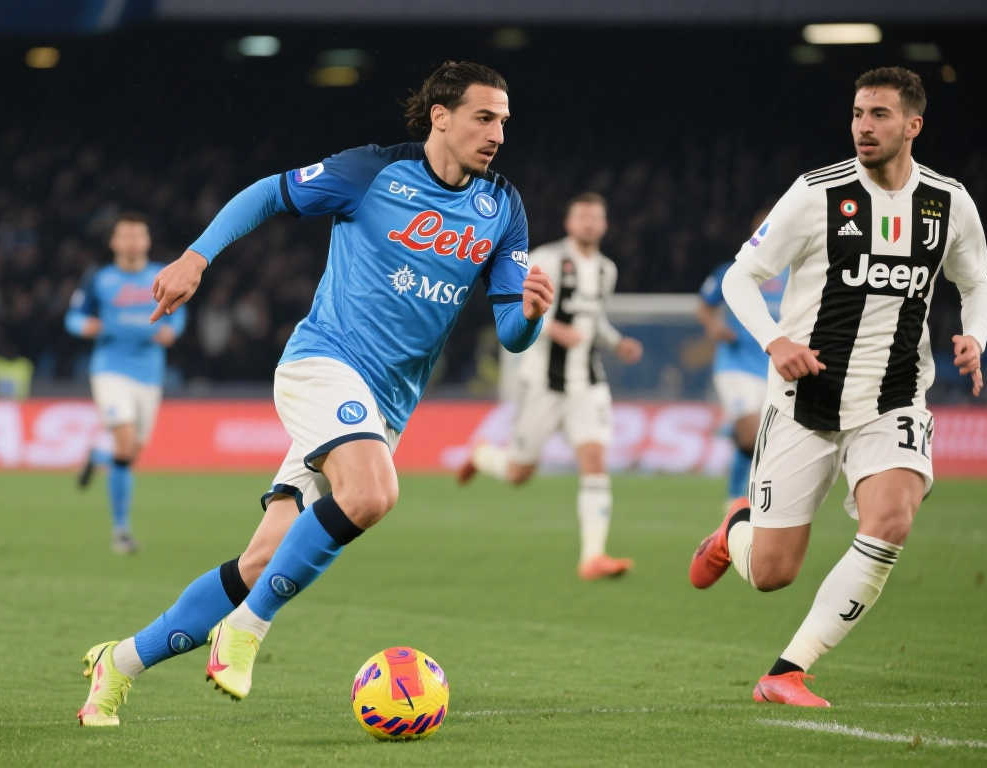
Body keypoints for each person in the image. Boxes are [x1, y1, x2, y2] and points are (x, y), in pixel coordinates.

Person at [77, 60, 554, 726]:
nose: (498, 133)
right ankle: (246, 628)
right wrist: (196, 256)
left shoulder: (502, 207)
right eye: (484, 117)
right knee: (373, 493)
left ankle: (120, 663)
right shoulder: (372, 172)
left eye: (503, 120)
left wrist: (531, 315)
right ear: (441, 117)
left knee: (262, 559)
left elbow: (512, 333)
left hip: (385, 407)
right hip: (323, 366)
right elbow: (268, 194)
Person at [688, 66, 987, 707]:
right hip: (805, 401)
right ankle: (733, 533)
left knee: (891, 520)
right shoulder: (815, 194)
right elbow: (741, 278)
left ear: (913, 125)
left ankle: (787, 671)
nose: (863, 126)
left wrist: (975, 333)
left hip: (894, 397)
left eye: (880, 114)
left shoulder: (948, 202)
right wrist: (775, 341)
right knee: (772, 572)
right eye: (858, 113)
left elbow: (977, 284)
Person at [457, 193, 643, 580]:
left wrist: (616, 342)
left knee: (594, 459)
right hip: (542, 383)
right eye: (582, 216)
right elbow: (519, 309)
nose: (589, 223)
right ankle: (482, 455)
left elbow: (595, 320)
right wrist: (555, 330)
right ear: (569, 223)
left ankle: (593, 557)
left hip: (587, 384)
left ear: (604, 224)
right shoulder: (545, 259)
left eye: (596, 217)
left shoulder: (606, 270)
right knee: (518, 473)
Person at [65, 212, 186, 554]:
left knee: (130, 451)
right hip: (110, 370)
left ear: (147, 241)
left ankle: (97, 456)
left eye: (138, 236)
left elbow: (179, 314)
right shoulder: (99, 279)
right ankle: (121, 531)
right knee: (125, 442)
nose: (132, 242)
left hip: (149, 374)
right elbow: (73, 316)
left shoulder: (162, 276)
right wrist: (86, 327)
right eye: (126, 236)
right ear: (114, 242)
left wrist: (172, 331)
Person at [696, 211, 787, 507]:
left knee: (764, 439)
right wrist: (715, 327)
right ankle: (738, 497)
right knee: (751, 436)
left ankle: (740, 497)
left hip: (777, 368)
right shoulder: (735, 270)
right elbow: (705, 305)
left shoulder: (795, 274)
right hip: (736, 366)